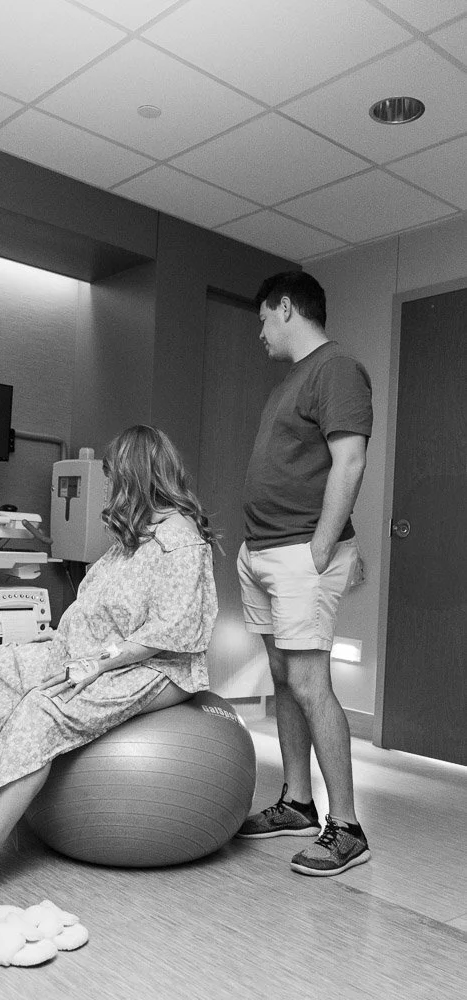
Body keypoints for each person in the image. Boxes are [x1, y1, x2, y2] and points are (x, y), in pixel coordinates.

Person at [0, 424, 218, 919]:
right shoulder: (135, 537)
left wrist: (94, 663)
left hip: (158, 667)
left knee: (41, 711)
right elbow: (100, 604)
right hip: (99, 650)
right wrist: (63, 640)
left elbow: (167, 633)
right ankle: (12, 805)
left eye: (114, 478)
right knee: (0, 667)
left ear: (136, 477)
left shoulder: (180, 540)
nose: (110, 489)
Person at [234, 271, 373, 877]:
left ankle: (346, 826)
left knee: (311, 683)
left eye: (263, 318)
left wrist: (320, 548)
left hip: (298, 553)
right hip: (262, 550)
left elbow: (350, 458)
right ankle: (297, 801)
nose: (261, 332)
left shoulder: (336, 368)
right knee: (285, 677)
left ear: (285, 308)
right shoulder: (292, 379)